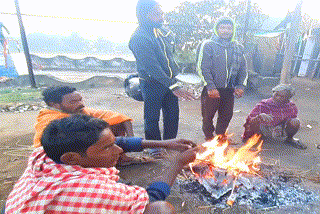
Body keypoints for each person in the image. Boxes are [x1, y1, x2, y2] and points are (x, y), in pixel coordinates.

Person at [5, 115, 198, 213]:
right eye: (107, 148)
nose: (118, 150)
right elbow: (151, 199)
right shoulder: (87, 190)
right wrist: (177, 163)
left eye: (113, 143)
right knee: (161, 209)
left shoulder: (44, 154)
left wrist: (165, 143)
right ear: (71, 158)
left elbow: (119, 143)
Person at [129, 0, 195, 158]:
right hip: (152, 84)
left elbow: (169, 56)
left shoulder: (159, 31)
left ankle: (172, 144)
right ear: (144, 15)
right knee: (152, 117)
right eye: (157, 14)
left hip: (169, 82)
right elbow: (152, 68)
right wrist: (173, 86)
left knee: (172, 116)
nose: (162, 17)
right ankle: (156, 147)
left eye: (162, 13)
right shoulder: (139, 38)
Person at [196, 17, 248, 141]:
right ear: (217, 29)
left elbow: (243, 68)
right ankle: (209, 137)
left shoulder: (238, 47)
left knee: (226, 115)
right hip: (212, 88)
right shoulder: (208, 45)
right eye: (222, 27)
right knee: (208, 115)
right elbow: (202, 67)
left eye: (229, 28)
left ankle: (220, 136)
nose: (226, 31)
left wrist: (241, 86)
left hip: (229, 89)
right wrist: (210, 87)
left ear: (233, 30)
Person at [33, 86, 134, 148]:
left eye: (80, 100)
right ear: (55, 105)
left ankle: (119, 159)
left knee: (115, 124)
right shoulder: (49, 120)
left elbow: (122, 118)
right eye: (73, 102)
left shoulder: (80, 110)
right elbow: (44, 148)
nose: (80, 104)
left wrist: (131, 139)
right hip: (61, 157)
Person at [242, 84, 307, 150]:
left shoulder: (291, 106)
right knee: (256, 120)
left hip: (277, 129)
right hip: (263, 129)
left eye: (282, 96)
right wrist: (259, 116)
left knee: (295, 122)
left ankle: (289, 139)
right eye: (276, 94)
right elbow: (249, 120)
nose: (278, 97)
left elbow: (291, 120)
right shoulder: (263, 104)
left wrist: (279, 126)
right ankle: (255, 138)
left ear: (288, 98)